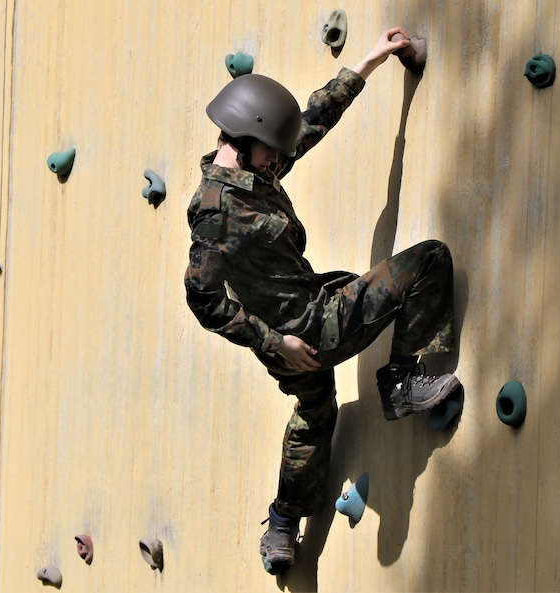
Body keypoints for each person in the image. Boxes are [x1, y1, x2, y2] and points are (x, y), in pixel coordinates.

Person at [184, 27, 461, 575]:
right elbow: (202, 298)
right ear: (246, 139)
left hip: (303, 311)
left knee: (315, 414)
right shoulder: (216, 211)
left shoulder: (251, 171)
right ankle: (402, 380)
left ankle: (284, 522)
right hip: (305, 328)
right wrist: (276, 342)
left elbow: (310, 124)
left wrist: (370, 61)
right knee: (428, 261)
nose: (277, 159)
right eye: (271, 151)